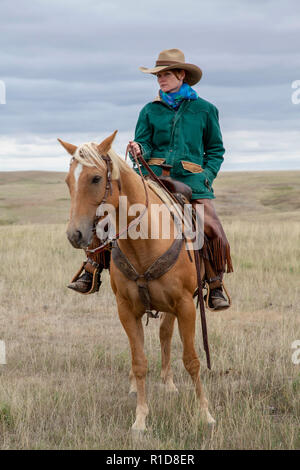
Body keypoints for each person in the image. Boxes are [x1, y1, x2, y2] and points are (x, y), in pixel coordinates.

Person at [68, 49, 233, 310]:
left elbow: (215, 151)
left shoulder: (205, 110)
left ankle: (214, 283)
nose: (160, 80)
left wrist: (207, 176)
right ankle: (91, 270)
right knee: (110, 215)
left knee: (212, 228)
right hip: (152, 178)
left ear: (181, 75)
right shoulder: (149, 110)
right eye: (157, 75)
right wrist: (139, 150)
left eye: (165, 74)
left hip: (192, 181)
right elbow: (143, 142)